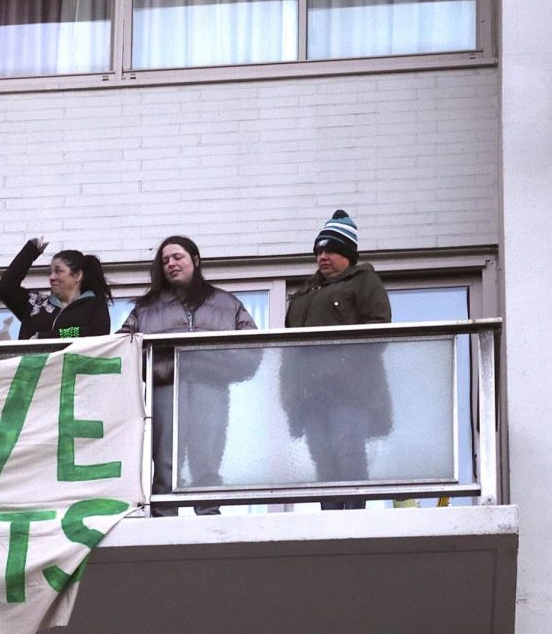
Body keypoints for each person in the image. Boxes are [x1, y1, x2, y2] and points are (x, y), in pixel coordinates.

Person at [119, 235, 260, 516]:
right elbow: (123, 352)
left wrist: (206, 365)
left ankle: (208, 517)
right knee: (165, 459)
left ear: (195, 260)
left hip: (211, 389)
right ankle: (163, 521)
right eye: (165, 260)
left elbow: (252, 352)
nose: (171, 263)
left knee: (207, 459)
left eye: (177, 257)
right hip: (165, 390)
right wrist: (171, 366)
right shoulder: (146, 308)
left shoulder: (226, 303)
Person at [281, 210, 393, 510]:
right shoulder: (302, 296)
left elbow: (378, 330)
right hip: (311, 397)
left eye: (330, 249)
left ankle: (354, 519)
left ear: (347, 254)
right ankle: (330, 518)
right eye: (319, 250)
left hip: (351, 393)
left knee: (348, 450)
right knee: (323, 460)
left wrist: (342, 366)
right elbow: (288, 353)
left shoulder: (363, 281)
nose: (322, 256)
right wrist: (290, 399)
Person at [0, 237, 112, 339]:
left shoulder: (94, 305)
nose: (52, 277)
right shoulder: (35, 304)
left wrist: (43, 337)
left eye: (58, 271)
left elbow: (96, 333)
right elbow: (6, 288)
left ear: (77, 275)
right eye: (50, 272)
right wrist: (30, 251)